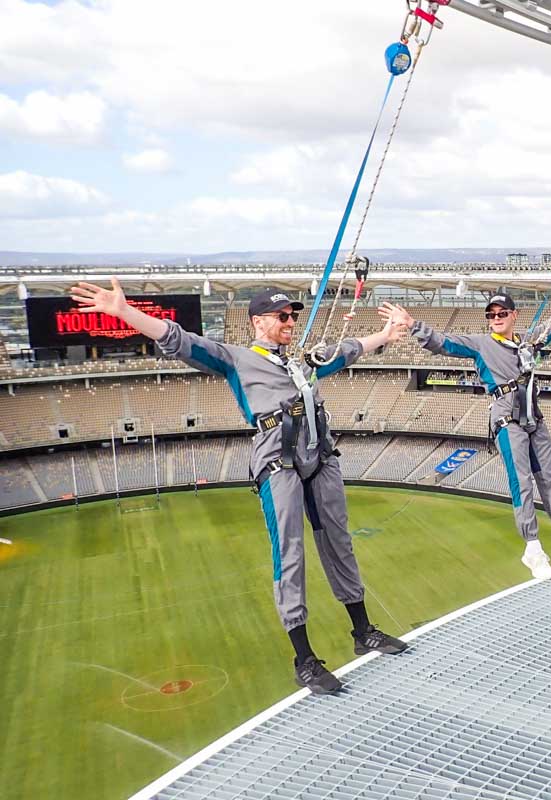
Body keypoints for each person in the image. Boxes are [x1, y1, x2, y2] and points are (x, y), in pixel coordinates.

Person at [69, 278, 410, 696]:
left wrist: (385, 335)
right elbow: (181, 340)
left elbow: (347, 350)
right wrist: (125, 312)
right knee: (290, 554)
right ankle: (304, 660)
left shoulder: (302, 363)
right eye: (282, 316)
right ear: (258, 322)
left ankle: (363, 632)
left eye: (293, 316)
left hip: (320, 458)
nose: (290, 322)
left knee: (339, 543)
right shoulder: (237, 359)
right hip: (279, 462)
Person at [390, 292, 551, 580]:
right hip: (507, 418)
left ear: (513, 315)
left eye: (502, 313)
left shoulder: (527, 341)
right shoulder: (481, 344)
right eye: (491, 315)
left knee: (550, 476)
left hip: (533, 414)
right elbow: (444, 343)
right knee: (521, 480)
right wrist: (412, 324)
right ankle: (533, 549)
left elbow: (549, 329)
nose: (496, 318)